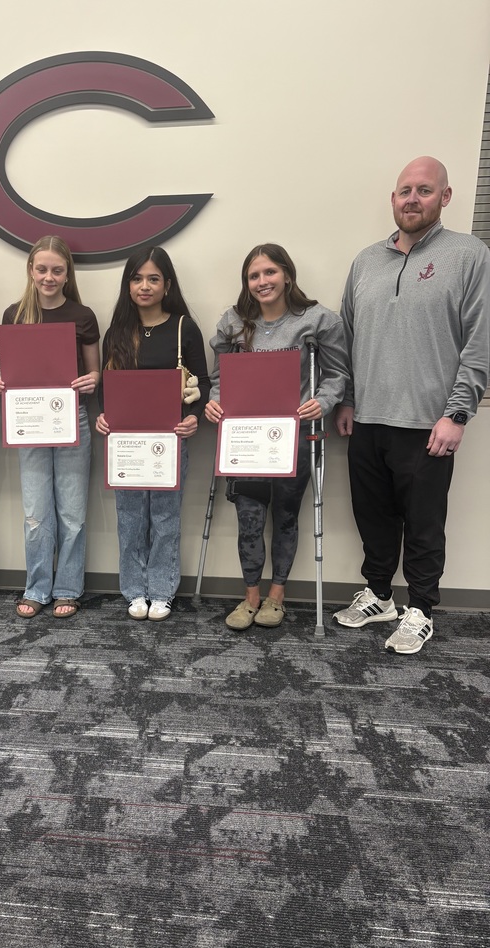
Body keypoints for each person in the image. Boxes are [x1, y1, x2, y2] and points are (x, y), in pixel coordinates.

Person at [334, 156, 490, 654]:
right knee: (372, 517)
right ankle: (379, 595)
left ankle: (420, 607)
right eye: (404, 191)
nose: (412, 199)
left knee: (424, 524)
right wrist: (349, 401)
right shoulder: (365, 262)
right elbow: (348, 340)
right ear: (393, 199)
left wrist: (458, 413)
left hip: (429, 422)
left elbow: (479, 342)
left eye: (424, 190)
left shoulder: (468, 255)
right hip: (367, 421)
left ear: (444, 197)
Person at [205, 243, 348, 630]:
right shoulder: (233, 323)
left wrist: (324, 401)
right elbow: (218, 376)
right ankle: (250, 597)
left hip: (295, 436)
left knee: (285, 517)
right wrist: (214, 402)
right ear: (246, 282)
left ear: (287, 274)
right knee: (249, 519)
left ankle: (277, 596)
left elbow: (337, 374)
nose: (262, 281)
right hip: (246, 438)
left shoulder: (318, 320)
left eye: (270, 272)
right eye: (254, 275)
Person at [0, 236, 99, 619]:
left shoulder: (83, 316)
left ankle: (68, 587)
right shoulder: (14, 314)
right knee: (36, 512)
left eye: (57, 270)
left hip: (73, 422)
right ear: (31, 271)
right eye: (42, 269)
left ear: (67, 273)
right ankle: (36, 587)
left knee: (72, 513)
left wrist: (93, 380)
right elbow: (7, 371)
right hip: (30, 423)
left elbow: (94, 372)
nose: (49, 277)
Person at [95, 245, 210, 621]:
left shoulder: (183, 328)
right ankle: (133, 590)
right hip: (126, 442)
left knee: (165, 517)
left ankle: (161, 590)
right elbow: (105, 389)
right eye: (137, 278)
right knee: (129, 517)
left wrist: (194, 416)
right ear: (128, 285)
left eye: (153, 279)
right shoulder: (116, 332)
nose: (145, 286)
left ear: (167, 285)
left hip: (169, 440)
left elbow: (203, 384)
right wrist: (102, 417)